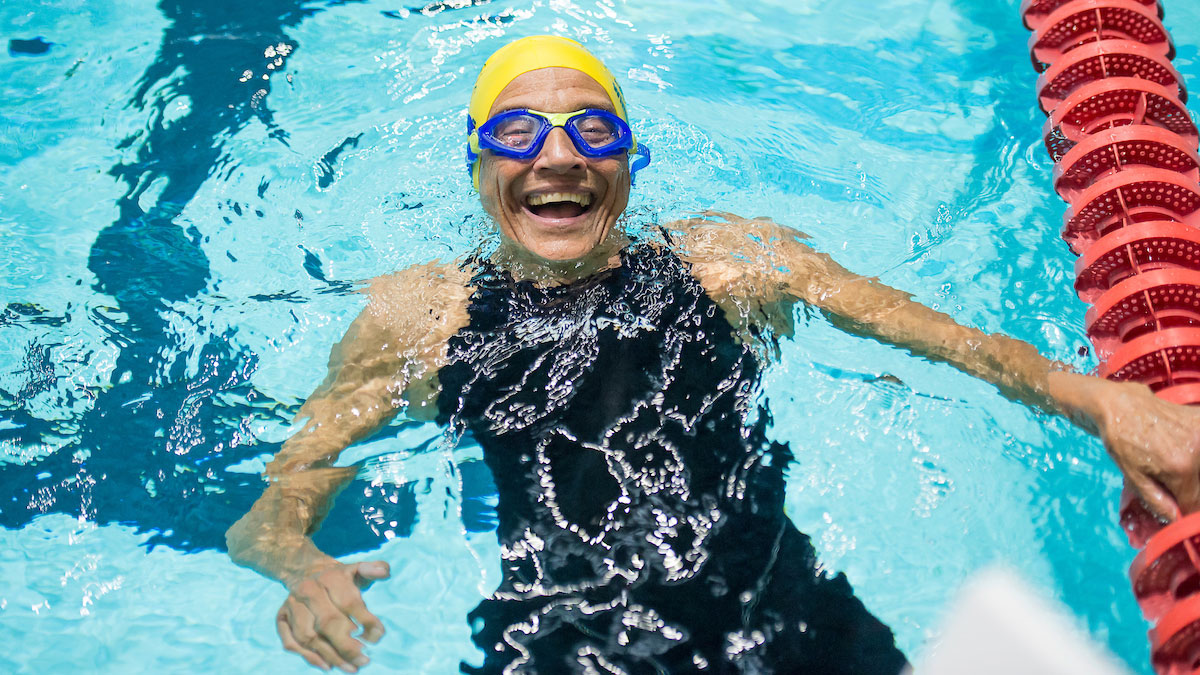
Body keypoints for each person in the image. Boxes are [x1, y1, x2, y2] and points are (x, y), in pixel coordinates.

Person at [226, 35, 1200, 674]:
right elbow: (271, 511)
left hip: (791, 620)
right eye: (518, 132)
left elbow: (949, 342)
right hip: (565, 644)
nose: (557, 156)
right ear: (478, 165)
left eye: (591, 128)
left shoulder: (734, 262)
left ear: (628, 159)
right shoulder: (419, 317)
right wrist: (300, 565)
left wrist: (1100, 403)